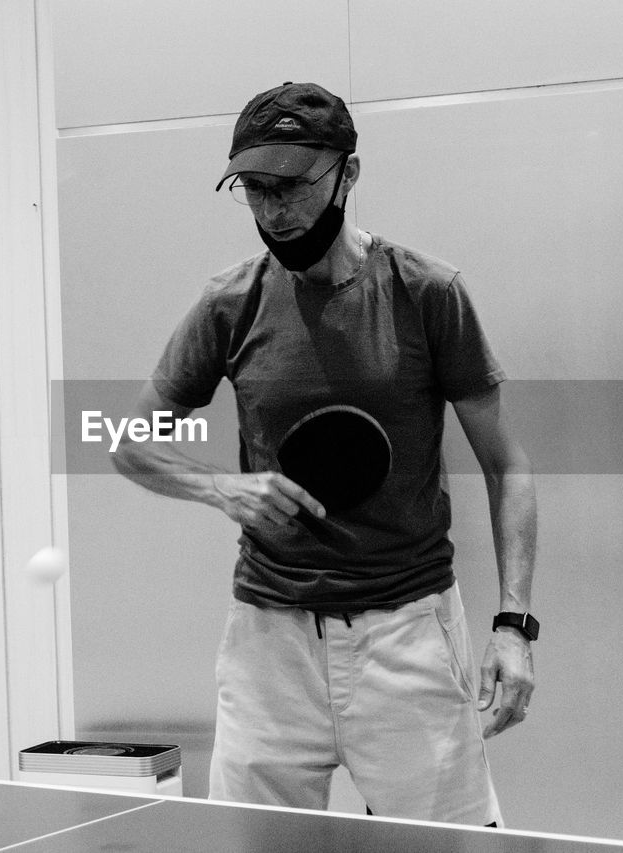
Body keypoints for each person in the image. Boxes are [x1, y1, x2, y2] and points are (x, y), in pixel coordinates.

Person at [113, 81, 537, 827]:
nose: (274, 212)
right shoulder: (228, 303)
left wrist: (513, 625)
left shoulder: (428, 293)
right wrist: (221, 489)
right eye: (255, 190)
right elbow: (127, 441)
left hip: (408, 636)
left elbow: (509, 467)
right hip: (268, 645)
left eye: (293, 186)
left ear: (349, 172)